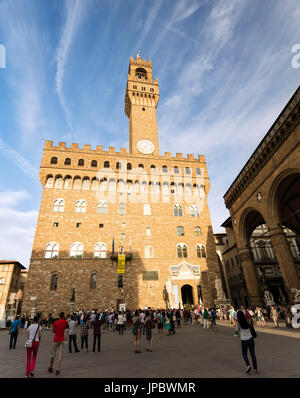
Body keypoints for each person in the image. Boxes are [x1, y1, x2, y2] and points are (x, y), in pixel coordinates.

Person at [237, 310, 258, 374]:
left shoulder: (239, 324)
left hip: (243, 340)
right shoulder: (248, 321)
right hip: (250, 339)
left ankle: (248, 365)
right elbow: (252, 328)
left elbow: (238, 333)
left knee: (244, 354)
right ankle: (255, 369)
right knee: (252, 354)